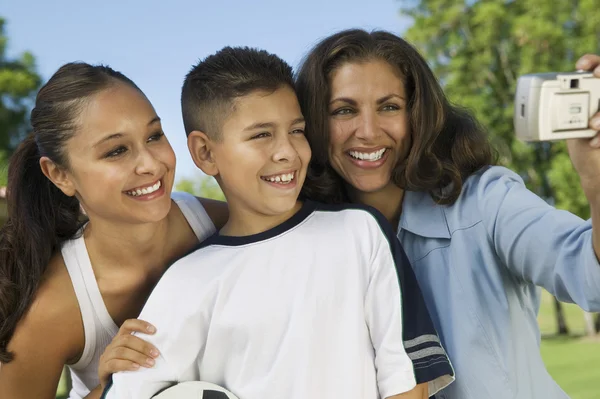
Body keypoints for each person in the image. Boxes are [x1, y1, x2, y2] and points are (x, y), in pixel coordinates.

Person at [102, 46, 454, 399]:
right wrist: (110, 376)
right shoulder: (185, 282)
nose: (287, 151)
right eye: (261, 134)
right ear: (206, 153)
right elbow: (130, 391)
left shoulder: (359, 233)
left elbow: (406, 381)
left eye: (297, 131)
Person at [295, 29, 600, 399]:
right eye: (343, 110)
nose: (369, 131)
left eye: (389, 106)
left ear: (417, 114)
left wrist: (595, 180)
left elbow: (591, 278)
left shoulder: (486, 202)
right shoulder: (307, 241)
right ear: (313, 122)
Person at [0, 62, 228, 399]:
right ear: (60, 175)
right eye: (116, 150)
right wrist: (111, 391)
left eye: (154, 136)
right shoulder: (52, 309)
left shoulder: (221, 225)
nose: (151, 164)